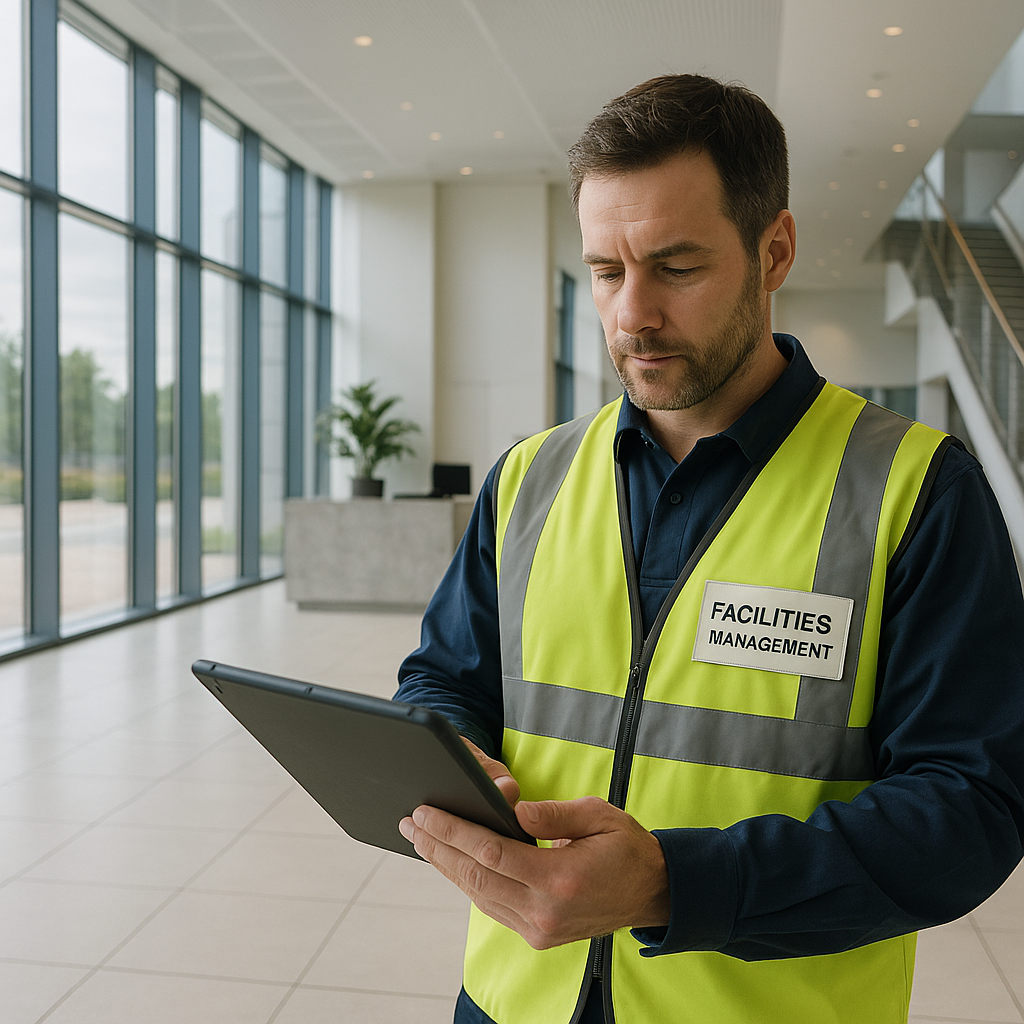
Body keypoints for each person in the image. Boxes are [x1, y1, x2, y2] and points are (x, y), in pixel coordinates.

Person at [395, 74, 1024, 1024]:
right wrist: (456, 759)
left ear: (774, 252)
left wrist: (673, 884)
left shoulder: (917, 493)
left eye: (676, 267)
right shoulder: (531, 476)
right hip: (515, 1001)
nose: (630, 314)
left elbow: (972, 809)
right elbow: (443, 678)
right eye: (606, 270)